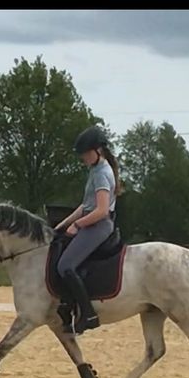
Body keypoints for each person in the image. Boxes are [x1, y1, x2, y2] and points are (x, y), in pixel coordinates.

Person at [55, 126, 122, 334]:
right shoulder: (95, 170)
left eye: (85, 153)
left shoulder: (102, 174)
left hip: (99, 225)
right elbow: (86, 206)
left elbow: (101, 210)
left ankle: (88, 314)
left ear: (97, 150)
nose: (82, 157)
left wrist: (77, 225)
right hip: (92, 222)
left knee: (65, 265)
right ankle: (67, 306)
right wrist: (62, 224)